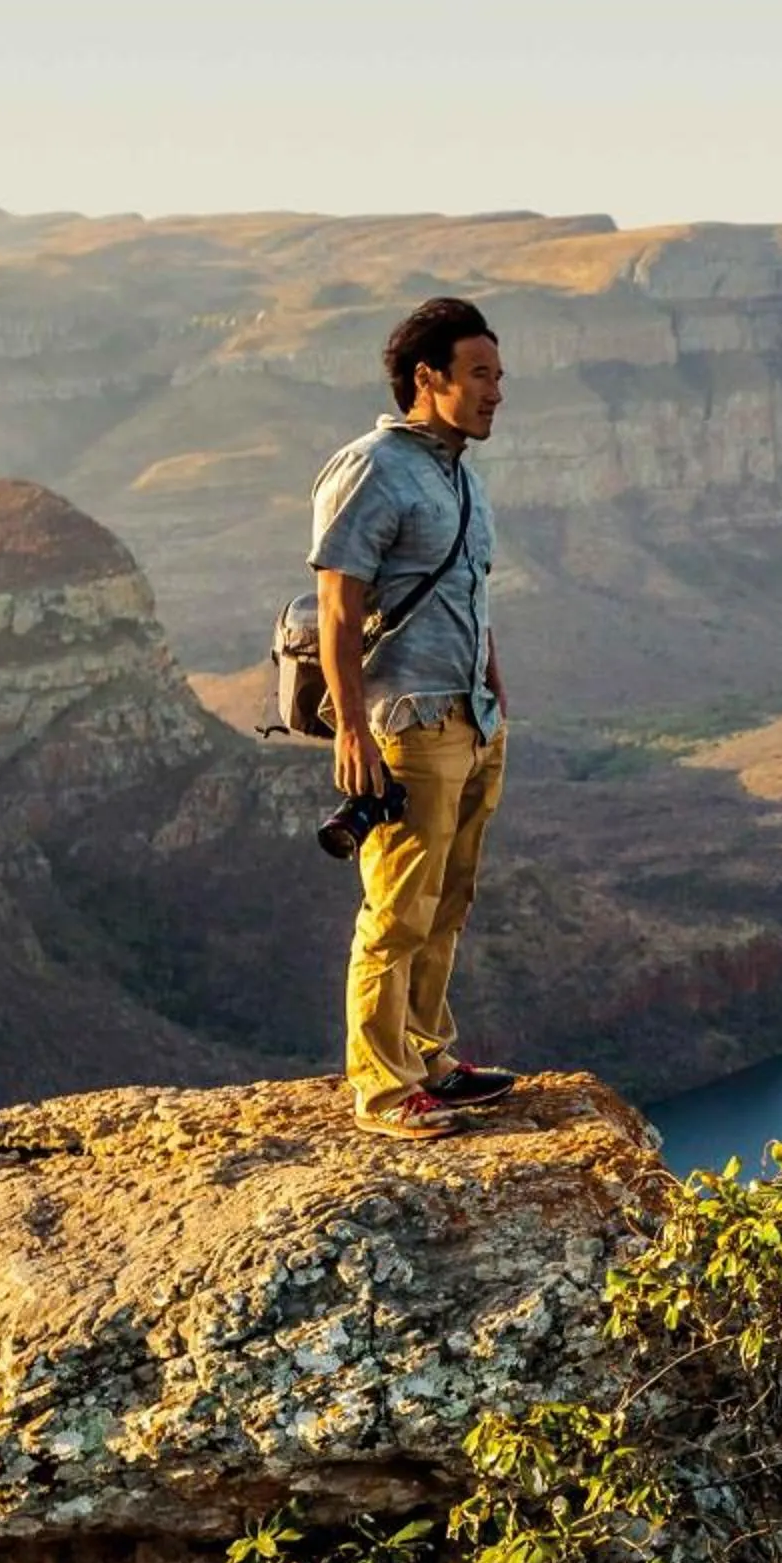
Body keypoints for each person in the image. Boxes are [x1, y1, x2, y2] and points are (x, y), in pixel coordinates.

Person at [309, 296, 517, 1137]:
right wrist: (354, 732)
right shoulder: (371, 468)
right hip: (409, 720)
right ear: (426, 379)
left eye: (500, 377)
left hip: (472, 717)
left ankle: (428, 1052)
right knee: (396, 907)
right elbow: (336, 601)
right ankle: (384, 1089)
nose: (496, 392)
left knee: (449, 898)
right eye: (479, 375)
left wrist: (498, 692)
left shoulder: (458, 473)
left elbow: (471, 593)